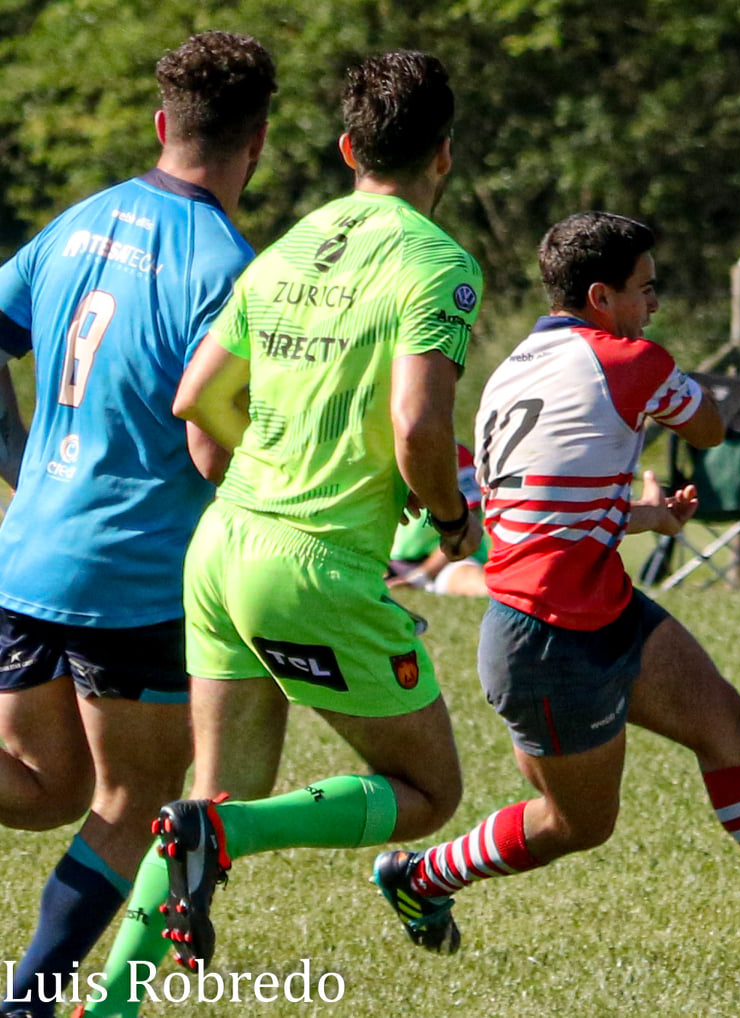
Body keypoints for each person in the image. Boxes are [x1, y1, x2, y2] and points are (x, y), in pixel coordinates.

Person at [370, 211, 740, 969]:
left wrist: (638, 514)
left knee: (728, 727)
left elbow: (536, 513)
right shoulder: (628, 358)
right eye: (645, 289)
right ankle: (419, 877)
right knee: (576, 824)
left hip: (596, 608)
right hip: (546, 638)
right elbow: (712, 429)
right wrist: (660, 400)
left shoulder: (511, 369)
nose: (653, 305)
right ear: (602, 296)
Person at [80, 51, 480, 1013]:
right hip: (313, 565)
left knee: (204, 808)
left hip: (219, 551)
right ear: (446, 157)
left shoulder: (291, 244)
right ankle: (222, 843)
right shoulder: (438, 265)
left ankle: (111, 1006)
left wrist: (256, 461)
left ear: (347, 148)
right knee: (428, 794)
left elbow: (198, 397)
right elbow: (419, 427)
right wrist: (449, 513)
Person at [0, 33, 274, 1018]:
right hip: (131, 578)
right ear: (260, 144)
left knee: (44, 790)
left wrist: (18, 457)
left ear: (163, 126)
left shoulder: (78, 222)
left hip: (25, 556)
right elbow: (210, 447)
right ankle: (29, 1006)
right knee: (131, 806)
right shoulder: (228, 269)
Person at [387, 442, 489, 597]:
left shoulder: (455, 454)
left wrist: (421, 576)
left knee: (470, 579)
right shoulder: (377, 454)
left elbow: (465, 528)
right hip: (389, 561)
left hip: (448, 560)